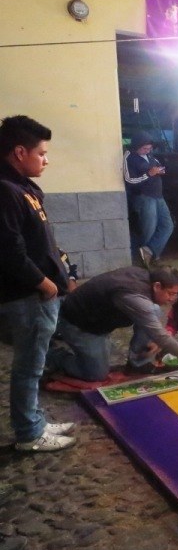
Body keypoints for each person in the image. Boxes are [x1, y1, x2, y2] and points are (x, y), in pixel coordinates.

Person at [0, 115, 76, 453]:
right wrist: (45, 284)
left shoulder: (23, 187)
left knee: (35, 363)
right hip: (27, 296)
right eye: (41, 153)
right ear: (19, 152)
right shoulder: (5, 190)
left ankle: (35, 420)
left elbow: (38, 239)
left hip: (39, 294)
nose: (46, 160)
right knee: (29, 367)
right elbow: (9, 252)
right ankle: (29, 434)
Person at [46, 266, 178, 381]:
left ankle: (138, 363)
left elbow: (156, 329)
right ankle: (53, 354)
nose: (173, 299)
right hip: (79, 324)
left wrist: (158, 337)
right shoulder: (134, 298)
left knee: (154, 311)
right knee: (96, 373)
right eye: (170, 294)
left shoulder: (146, 278)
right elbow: (160, 335)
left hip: (100, 318)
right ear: (157, 286)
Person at [123, 131, 173, 267]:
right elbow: (129, 180)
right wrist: (149, 174)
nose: (147, 150)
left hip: (158, 196)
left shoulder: (150, 156)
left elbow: (157, 166)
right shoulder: (129, 157)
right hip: (144, 197)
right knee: (148, 229)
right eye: (144, 148)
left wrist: (160, 170)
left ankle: (150, 252)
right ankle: (144, 260)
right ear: (136, 146)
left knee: (167, 225)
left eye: (149, 148)